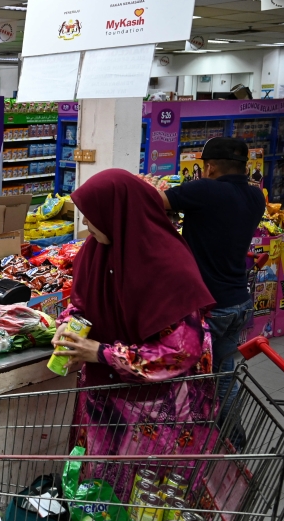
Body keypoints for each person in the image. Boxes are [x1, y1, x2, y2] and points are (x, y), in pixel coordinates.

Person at [49, 169, 217, 500]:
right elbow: (82, 303)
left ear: (117, 214)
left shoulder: (169, 266)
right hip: (108, 401)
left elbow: (181, 351)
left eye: (91, 217)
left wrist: (100, 353)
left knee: (148, 499)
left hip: (157, 410)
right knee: (102, 495)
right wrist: (69, 325)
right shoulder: (97, 248)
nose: (86, 226)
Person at [159, 137, 265, 403]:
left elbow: (156, 201)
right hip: (238, 301)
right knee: (224, 377)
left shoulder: (203, 190)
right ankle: (232, 440)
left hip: (209, 306)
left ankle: (194, 436)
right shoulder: (256, 195)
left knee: (187, 377)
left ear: (211, 168)